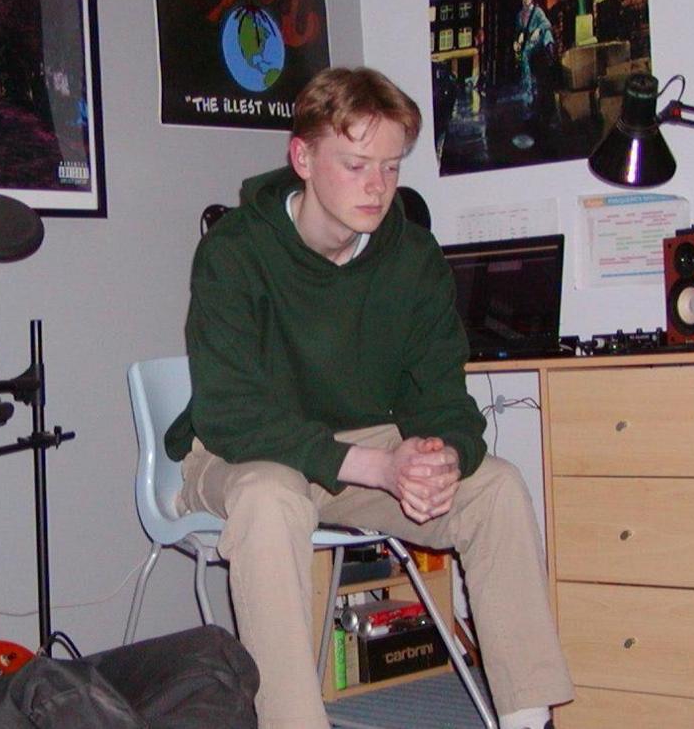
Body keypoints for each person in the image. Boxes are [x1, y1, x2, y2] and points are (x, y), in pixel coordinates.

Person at [164, 66, 574, 729]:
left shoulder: (412, 258)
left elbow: (443, 396)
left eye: (390, 167)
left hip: (356, 449)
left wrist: (438, 458)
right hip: (239, 449)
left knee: (493, 487)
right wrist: (383, 468)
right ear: (303, 157)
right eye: (356, 163)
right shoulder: (235, 252)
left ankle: (529, 718)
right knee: (270, 501)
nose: (377, 187)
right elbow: (232, 413)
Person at [513, 0, 554, 109]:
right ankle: (528, 86)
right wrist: (518, 39)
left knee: (545, 35)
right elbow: (518, 31)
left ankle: (550, 51)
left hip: (537, 40)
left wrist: (538, 30)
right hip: (527, 42)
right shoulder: (520, 16)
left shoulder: (537, 11)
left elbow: (547, 24)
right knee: (521, 55)